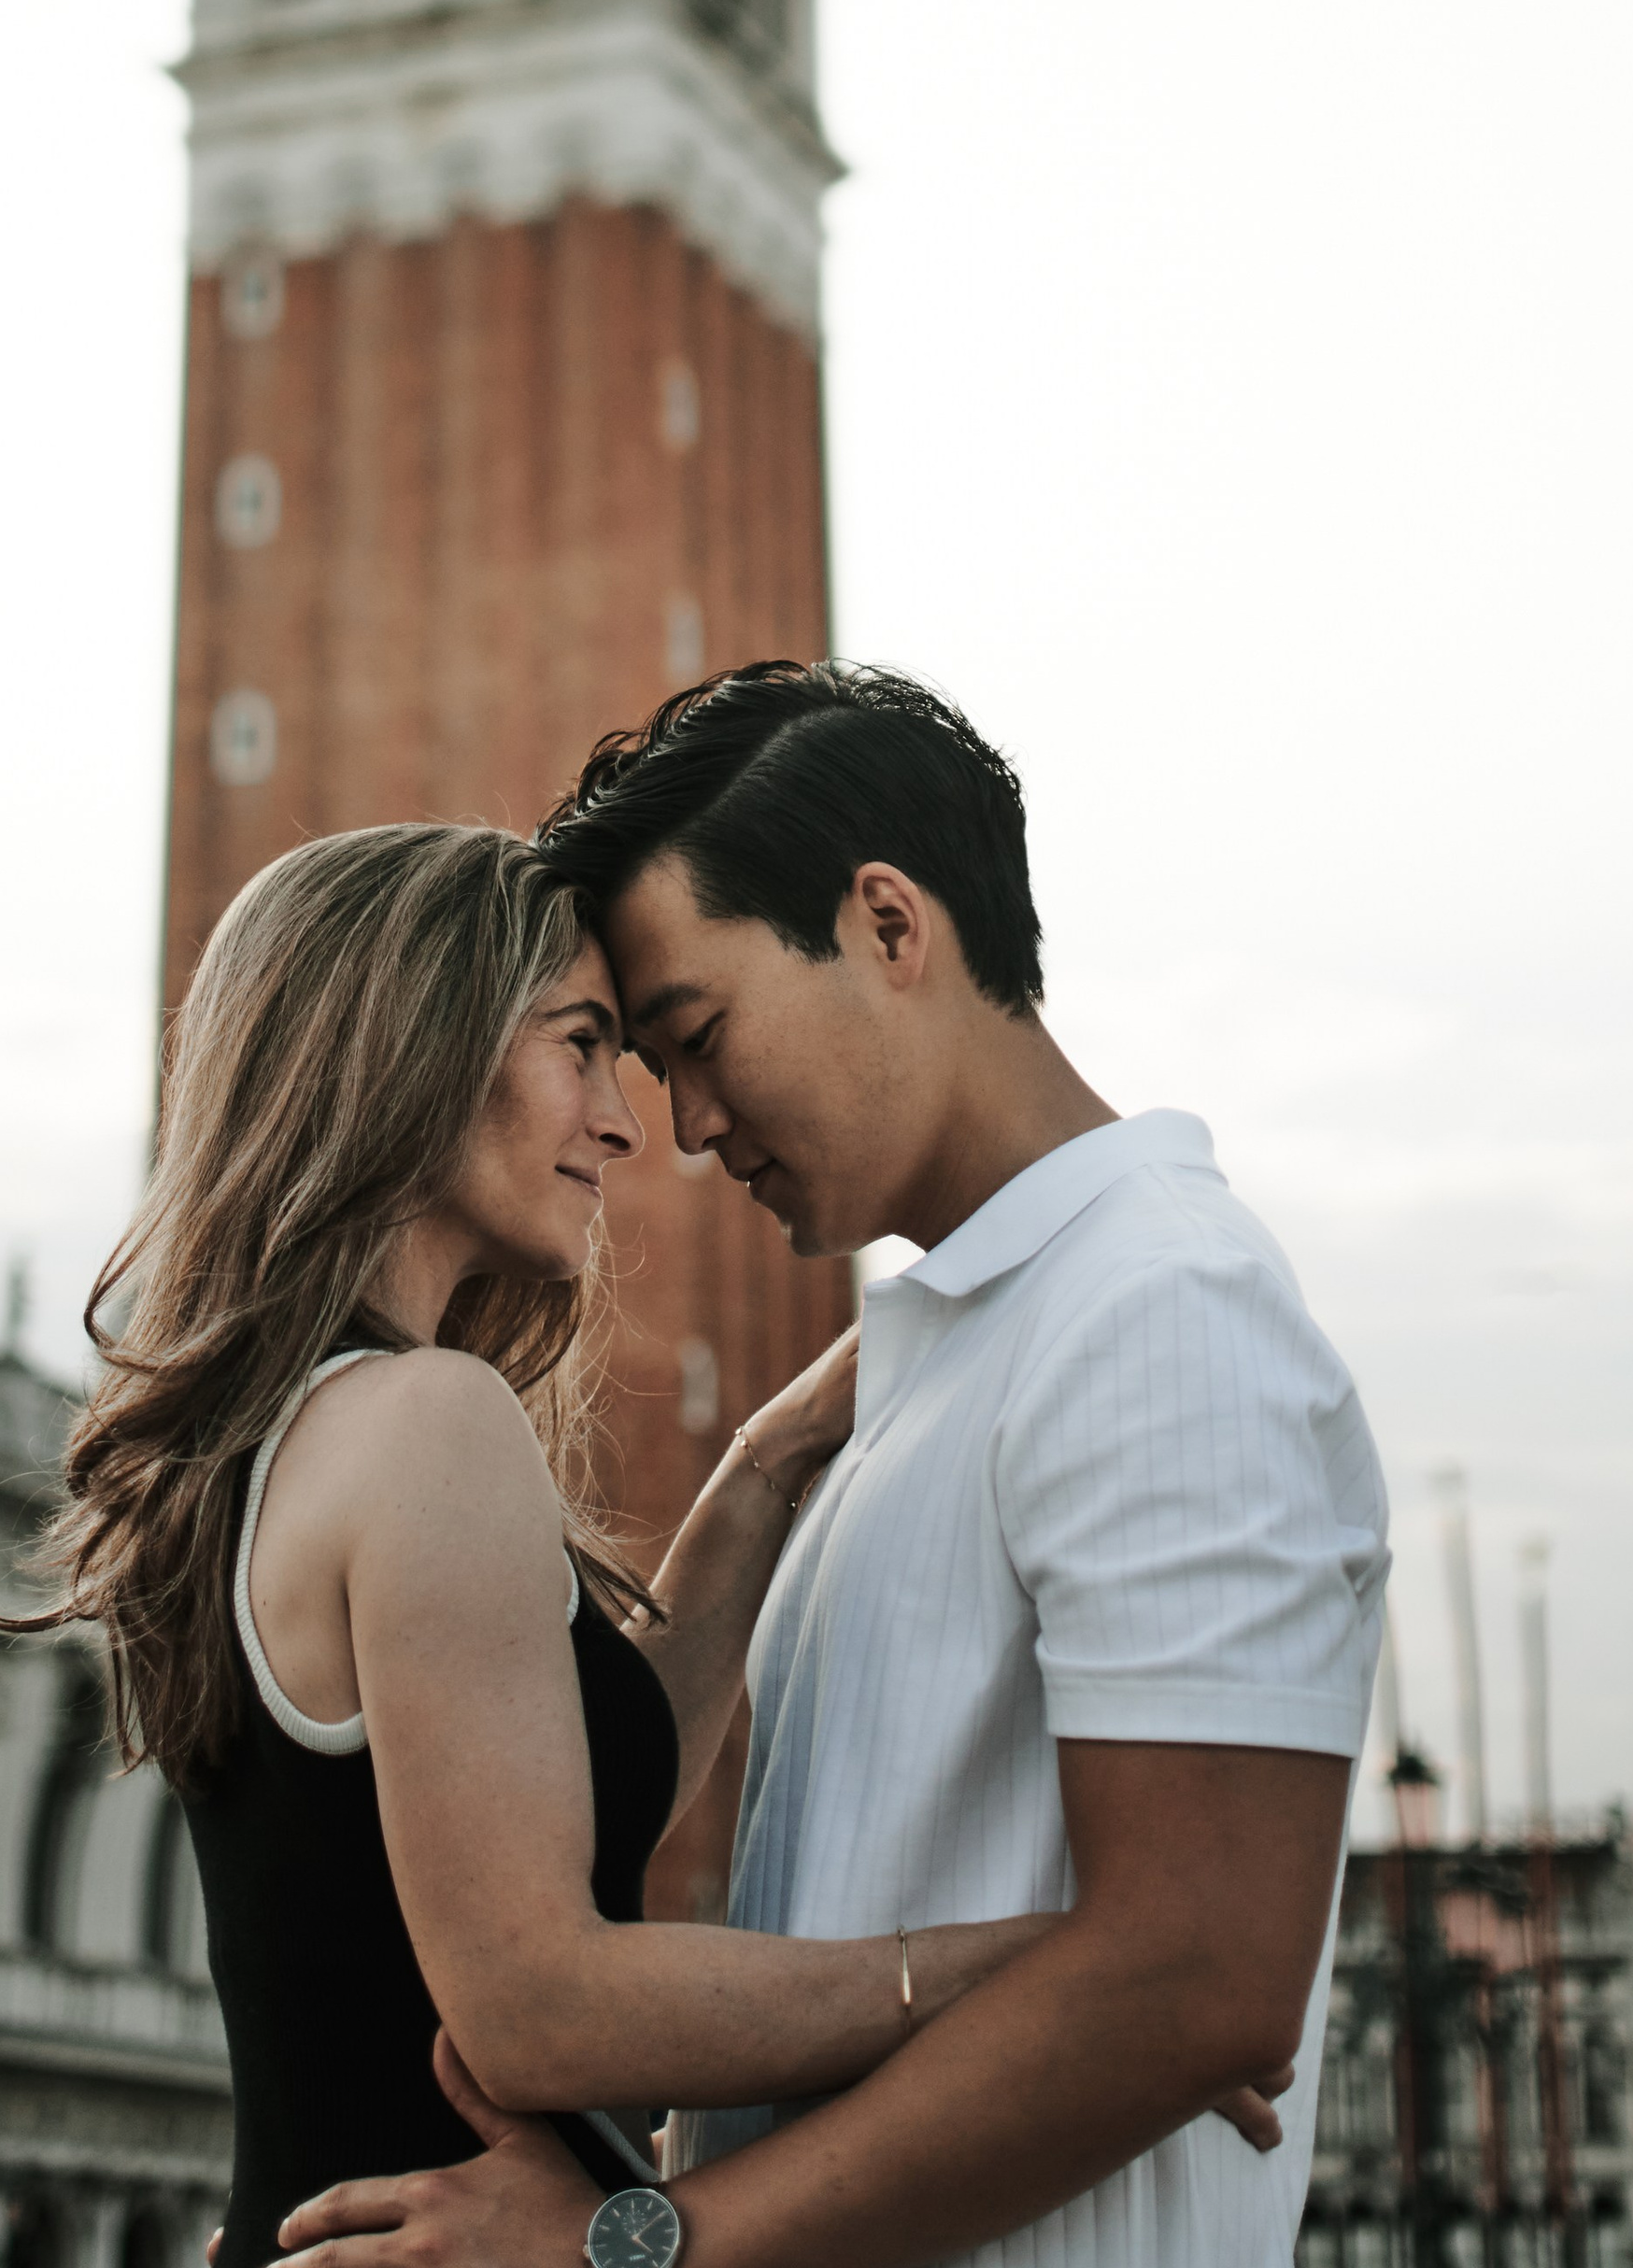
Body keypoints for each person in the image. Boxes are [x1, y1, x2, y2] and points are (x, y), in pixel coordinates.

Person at [270, 661, 1391, 2268]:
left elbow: (1200, 1977)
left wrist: (639, 2246)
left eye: (696, 1036)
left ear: (885, 925)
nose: (688, 1124)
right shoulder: (945, 1362)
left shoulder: (1160, 1309)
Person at [14, 818, 1083, 2265]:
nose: (627, 1121)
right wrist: (1061, 1967)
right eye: (580, 1045)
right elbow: (538, 2010)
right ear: (417, 1046)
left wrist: (771, 1459)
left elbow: (567, 1803)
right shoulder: (426, 1422)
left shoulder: (279, 1438)